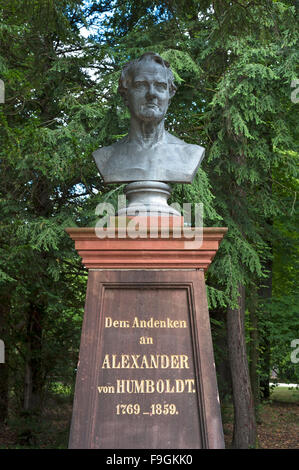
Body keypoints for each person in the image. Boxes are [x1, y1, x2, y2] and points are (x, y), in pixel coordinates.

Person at [93, 52, 205, 183]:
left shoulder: (190, 155)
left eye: (160, 86)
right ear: (125, 95)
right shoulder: (106, 157)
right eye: (140, 85)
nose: (151, 93)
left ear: (169, 96)